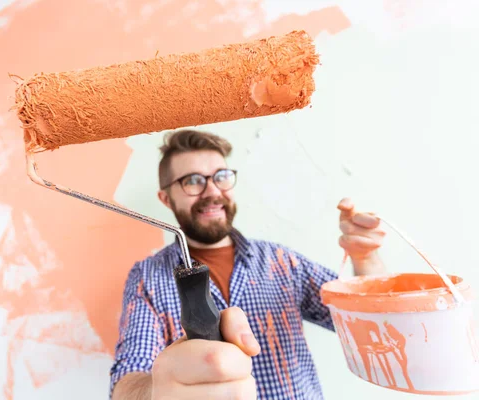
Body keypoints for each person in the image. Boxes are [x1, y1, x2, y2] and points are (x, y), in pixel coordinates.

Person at [109, 129, 386, 399]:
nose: (212, 191)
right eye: (193, 180)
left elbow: (369, 326)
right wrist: (156, 394)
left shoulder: (282, 262)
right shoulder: (147, 278)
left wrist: (365, 258)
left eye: (221, 176)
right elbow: (126, 382)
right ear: (166, 199)